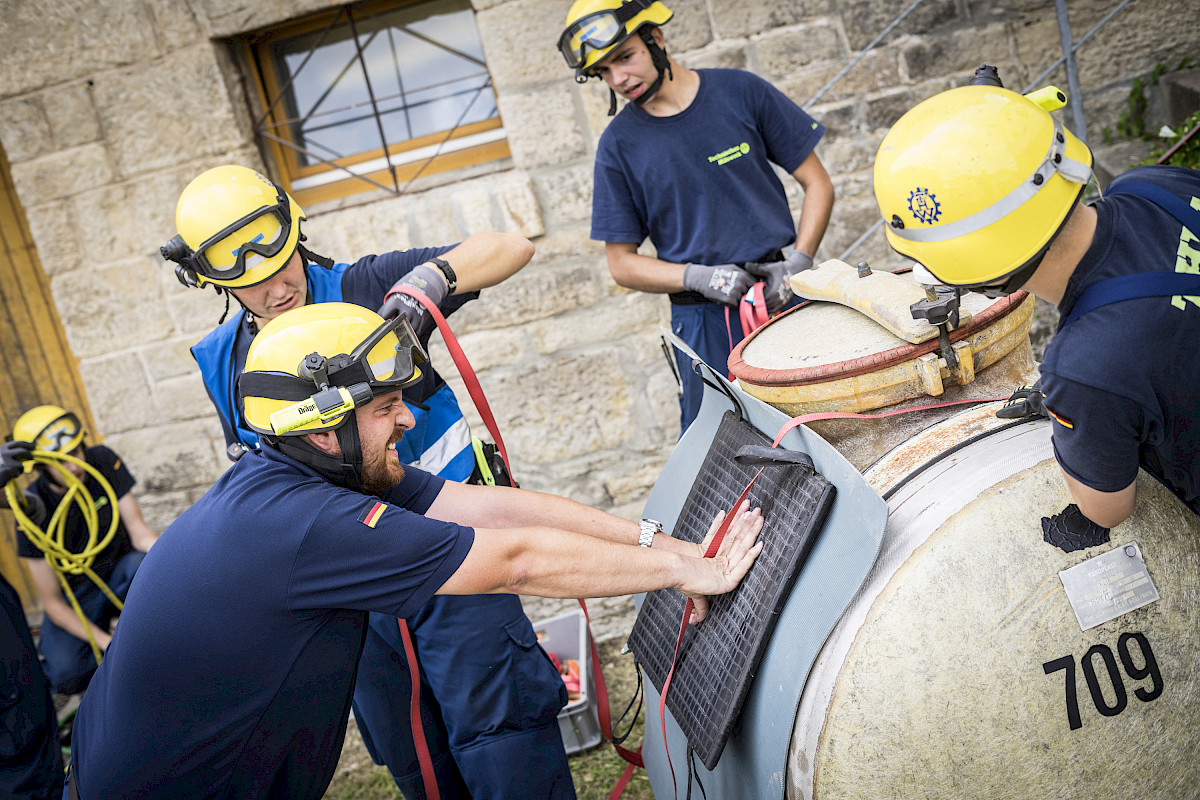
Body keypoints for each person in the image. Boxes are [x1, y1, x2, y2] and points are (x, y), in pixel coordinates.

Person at [67, 302, 764, 800]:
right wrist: (683, 573)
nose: (406, 417)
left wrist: (664, 545)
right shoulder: (305, 523)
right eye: (383, 409)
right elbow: (514, 560)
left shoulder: (311, 474)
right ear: (320, 430)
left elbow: (491, 505)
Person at [164, 164, 577, 799]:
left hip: (452, 545)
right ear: (214, 282)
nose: (277, 290)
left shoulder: (361, 289)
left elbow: (508, 247)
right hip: (355, 574)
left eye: (281, 267)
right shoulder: (223, 362)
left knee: (502, 726)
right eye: (251, 284)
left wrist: (426, 285)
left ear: (295, 234)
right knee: (411, 747)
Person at [872, 82, 1200, 529]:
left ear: (979, 265)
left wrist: (1076, 419)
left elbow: (1106, 509)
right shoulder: (1154, 185)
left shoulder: (1084, 366)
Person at [558, 0, 835, 431]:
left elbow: (818, 183)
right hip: (703, 321)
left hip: (780, 296)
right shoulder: (618, 147)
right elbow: (621, 264)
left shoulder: (742, 91)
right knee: (720, 451)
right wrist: (697, 277)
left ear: (657, 39)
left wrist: (799, 261)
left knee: (824, 424)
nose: (618, 79)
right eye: (603, 73)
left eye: (625, 58)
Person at [4, 406, 158, 697]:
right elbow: (51, 602)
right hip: (76, 597)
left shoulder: (102, 460)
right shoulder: (31, 509)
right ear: (41, 466)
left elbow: (139, 533)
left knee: (146, 565)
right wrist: (106, 643)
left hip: (122, 571)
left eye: (76, 452)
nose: (74, 465)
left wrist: (173, 563)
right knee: (63, 673)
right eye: (60, 460)